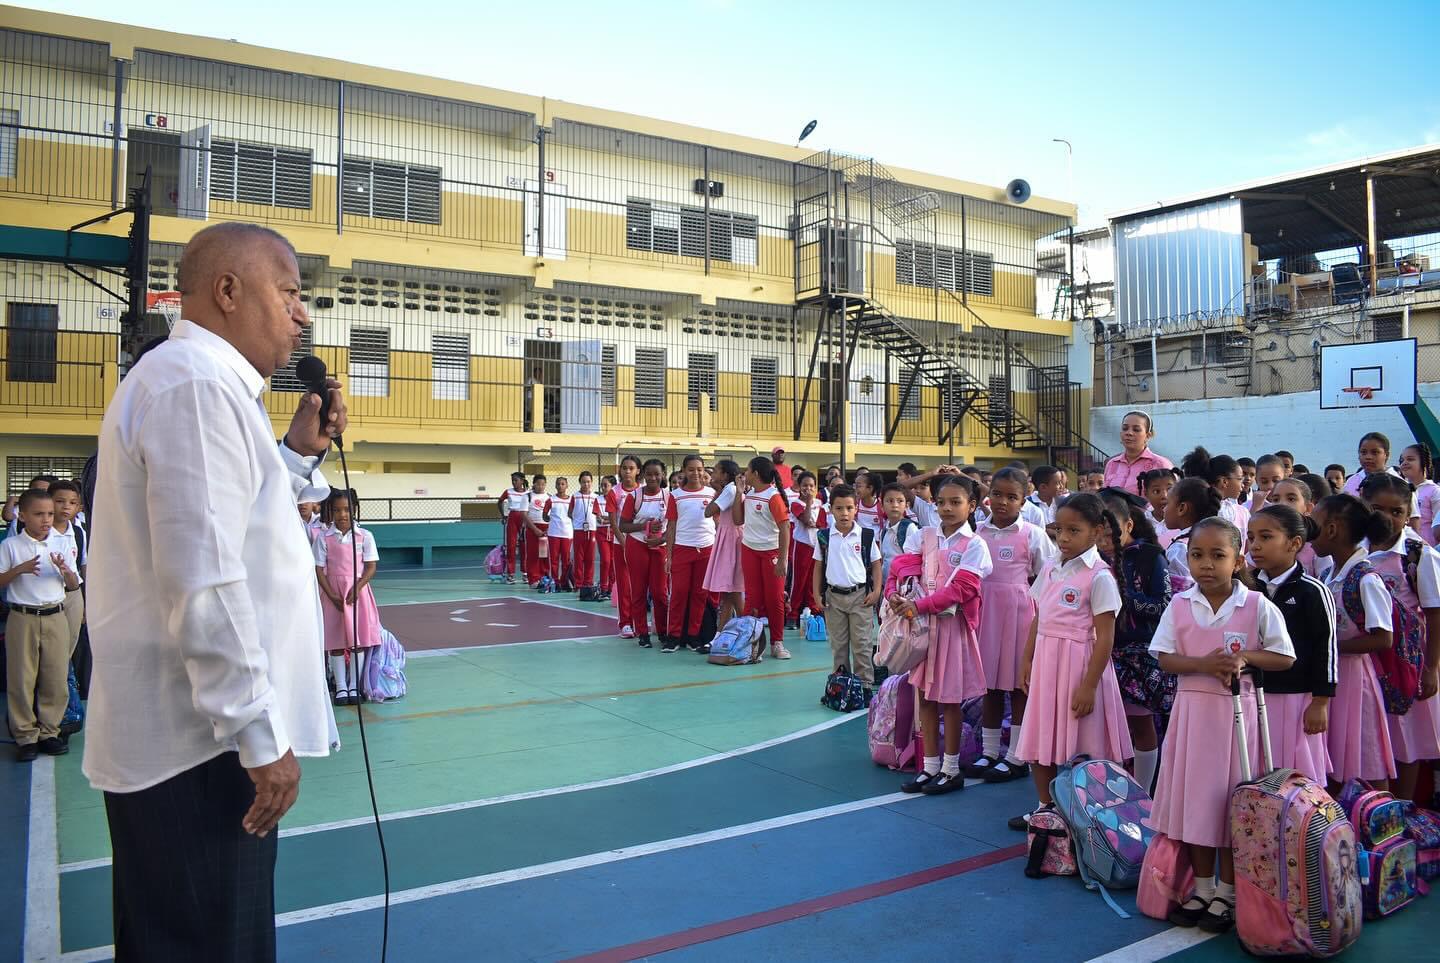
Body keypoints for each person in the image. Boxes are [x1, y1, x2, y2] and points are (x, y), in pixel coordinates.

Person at [84, 222, 342, 961]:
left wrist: (295, 455)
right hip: (202, 749)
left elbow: (241, 528)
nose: (302, 315)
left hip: (198, 740)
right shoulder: (195, 386)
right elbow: (205, 579)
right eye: (289, 292)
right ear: (228, 291)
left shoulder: (203, 385)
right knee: (211, 944)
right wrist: (258, 734)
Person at [1148, 517, 1295, 933]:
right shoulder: (1180, 604)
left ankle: (1228, 893)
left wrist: (1246, 657)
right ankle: (1204, 887)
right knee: (1195, 805)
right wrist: (1202, 665)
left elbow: (1284, 656)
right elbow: (1164, 657)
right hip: (1192, 715)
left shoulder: (1256, 605)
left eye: (1218, 555)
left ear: (1238, 561)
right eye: (1197, 555)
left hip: (1236, 720)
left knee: (1232, 804)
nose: (1206, 564)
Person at [1012, 493, 1132, 827]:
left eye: (1074, 530)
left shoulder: (1099, 576)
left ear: (1096, 531)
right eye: (1059, 530)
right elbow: (1039, 618)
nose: (1063, 538)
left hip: (1080, 667)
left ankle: (1091, 817)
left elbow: (1105, 637)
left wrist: (1089, 687)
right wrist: (1027, 659)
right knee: (1040, 739)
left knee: (1085, 744)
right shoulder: (1052, 566)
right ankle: (1046, 810)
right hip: (1047, 664)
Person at [890, 475, 991, 795]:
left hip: (951, 630)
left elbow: (962, 590)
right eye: (941, 502)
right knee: (925, 698)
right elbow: (901, 569)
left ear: (971, 506)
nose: (947, 508)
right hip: (923, 630)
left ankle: (951, 769)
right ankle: (929, 767)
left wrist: (917, 605)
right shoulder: (924, 536)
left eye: (955, 502)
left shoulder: (975, 545)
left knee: (950, 701)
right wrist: (893, 593)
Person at [966, 468, 1056, 782]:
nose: (1003, 502)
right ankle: (990, 752)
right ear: (988, 495)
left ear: (1023, 500)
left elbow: (1048, 575)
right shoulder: (977, 532)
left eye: (1011, 496)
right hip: (985, 614)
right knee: (989, 685)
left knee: (1019, 686)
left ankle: (1017, 756)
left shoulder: (1033, 534)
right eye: (997, 494)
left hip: (1020, 616)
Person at [1359, 474, 1440, 801]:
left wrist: (1431, 668)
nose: (1387, 518)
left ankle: (1404, 808)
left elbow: (1435, 613)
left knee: (1407, 738)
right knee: (1374, 735)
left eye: (1396, 512)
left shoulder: (1418, 555)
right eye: (1377, 509)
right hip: (1367, 659)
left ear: (1408, 515)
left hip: (1407, 662)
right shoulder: (1357, 548)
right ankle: (1372, 808)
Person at [1312, 493, 1398, 792]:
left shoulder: (1366, 579)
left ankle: (1379, 813)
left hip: (1356, 678)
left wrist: (1331, 647)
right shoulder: (1328, 574)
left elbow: (1383, 637)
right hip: (1334, 674)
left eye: (1314, 525)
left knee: (1365, 753)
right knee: (1337, 751)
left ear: (1332, 529)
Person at [1247, 504, 1336, 784]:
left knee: (1295, 777)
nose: (1255, 545)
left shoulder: (1313, 591)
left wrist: (1320, 701)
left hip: (1296, 697)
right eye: (1251, 537)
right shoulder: (1247, 587)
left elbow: (1326, 647)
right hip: (1252, 694)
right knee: (1255, 771)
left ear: (1294, 543)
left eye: (1266, 537)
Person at [1100, 492, 1173, 795]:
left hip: (1139, 654)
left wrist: (1125, 597)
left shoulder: (1150, 556)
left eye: (1111, 533)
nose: (1105, 541)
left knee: (1141, 723)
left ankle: (1142, 793)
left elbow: (1164, 604)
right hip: (1100, 652)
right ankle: (1103, 790)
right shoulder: (1092, 560)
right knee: (1104, 725)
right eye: (1098, 534)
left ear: (1128, 525)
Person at [1, 488, 81, 760]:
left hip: (55, 616)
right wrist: (19, 570)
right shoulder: (11, 546)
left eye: (49, 514)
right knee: (22, 677)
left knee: (56, 677)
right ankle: (25, 736)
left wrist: (66, 571)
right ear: (22, 516)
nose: (46, 519)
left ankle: (49, 732)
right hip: (22, 617)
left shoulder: (61, 543)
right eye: (38, 514)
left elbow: (73, 585)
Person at [813, 484, 881, 691]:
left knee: (862, 644)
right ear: (830, 509)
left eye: (849, 508)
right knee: (839, 645)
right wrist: (816, 594)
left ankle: (864, 686)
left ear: (856, 509)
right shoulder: (824, 536)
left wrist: (876, 591)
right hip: (833, 597)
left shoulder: (865, 535)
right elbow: (818, 567)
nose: (844, 513)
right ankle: (841, 685)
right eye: (839, 508)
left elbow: (876, 564)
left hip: (860, 596)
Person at [314, 489, 380, 705]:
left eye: (346, 509)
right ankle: (341, 686)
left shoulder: (365, 536)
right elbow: (318, 569)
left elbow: (370, 566)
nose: (342, 514)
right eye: (337, 510)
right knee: (335, 640)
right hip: (333, 593)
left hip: (357, 594)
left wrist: (358, 587)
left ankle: (354, 685)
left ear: (354, 509)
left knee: (356, 640)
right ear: (330, 512)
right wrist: (331, 595)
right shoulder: (324, 537)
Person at [736, 455, 791, 660]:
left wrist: (782, 559)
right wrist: (739, 493)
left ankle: (777, 643)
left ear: (756, 474)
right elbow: (737, 520)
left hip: (771, 552)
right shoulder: (749, 494)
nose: (745, 473)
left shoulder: (773, 497)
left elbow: (785, 528)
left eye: (748, 470)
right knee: (752, 598)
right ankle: (750, 644)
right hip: (749, 550)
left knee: (774, 599)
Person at [664, 455, 715, 653]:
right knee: (679, 593)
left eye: (699, 469)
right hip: (682, 549)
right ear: (684, 471)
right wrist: (668, 556)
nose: (696, 473)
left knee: (699, 594)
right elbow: (671, 526)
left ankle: (694, 636)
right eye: (691, 469)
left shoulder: (712, 493)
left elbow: (719, 521)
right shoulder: (676, 495)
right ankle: (674, 636)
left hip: (706, 550)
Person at [619, 459, 670, 649]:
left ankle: (663, 631)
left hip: (659, 546)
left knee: (660, 592)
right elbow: (623, 525)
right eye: (649, 474)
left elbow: (674, 525)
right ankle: (642, 632)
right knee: (639, 591)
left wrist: (662, 538)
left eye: (657, 474)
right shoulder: (634, 496)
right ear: (643, 475)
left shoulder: (668, 496)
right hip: (637, 545)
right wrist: (644, 526)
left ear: (663, 475)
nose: (653, 478)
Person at [702, 459, 745, 635]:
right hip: (730, 537)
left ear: (725, 475)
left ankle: (748, 628)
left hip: (731, 539)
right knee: (727, 592)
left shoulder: (729, 490)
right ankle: (719, 634)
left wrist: (717, 491)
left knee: (733, 590)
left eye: (716, 471)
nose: (712, 474)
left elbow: (708, 511)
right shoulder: (729, 489)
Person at [46, 480, 88, 659]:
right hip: (46, 595)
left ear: (79, 507)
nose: (66, 507)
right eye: (60, 501)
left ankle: (63, 675)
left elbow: (83, 565)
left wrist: (85, 600)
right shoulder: (39, 532)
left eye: (72, 503)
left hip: (73, 594)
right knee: (47, 645)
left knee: (69, 644)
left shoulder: (79, 532)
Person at [1163, 478, 1222, 595]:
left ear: (1182, 508)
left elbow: (1178, 593)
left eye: (1167, 503)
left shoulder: (1180, 549)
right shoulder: (1215, 538)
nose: (1164, 509)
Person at [608, 456, 642, 638]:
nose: (627, 471)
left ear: (638, 471)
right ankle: (626, 623)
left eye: (631, 468)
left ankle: (640, 622)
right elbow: (614, 523)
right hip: (621, 544)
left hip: (641, 544)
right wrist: (624, 543)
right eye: (624, 468)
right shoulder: (614, 492)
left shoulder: (643, 491)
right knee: (624, 585)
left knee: (640, 585)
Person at [786, 471, 826, 626]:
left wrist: (814, 523)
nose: (808, 489)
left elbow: (821, 524)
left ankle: (814, 610)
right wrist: (809, 503)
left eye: (811, 486)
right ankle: (792, 613)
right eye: (804, 486)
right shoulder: (795, 504)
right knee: (798, 581)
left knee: (813, 580)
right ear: (799, 486)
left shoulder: (820, 503)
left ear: (815, 487)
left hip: (816, 546)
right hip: (801, 545)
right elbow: (807, 521)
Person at [1104, 411, 1173, 492]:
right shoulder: (1112, 464)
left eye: (1136, 430)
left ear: (1148, 436)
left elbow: (1171, 496)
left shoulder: (1160, 464)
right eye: (1125, 428)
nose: (1129, 433)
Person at [877, 482, 917, 596]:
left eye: (900, 501)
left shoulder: (909, 528)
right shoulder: (884, 530)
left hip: (904, 589)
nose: (895, 505)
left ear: (907, 505)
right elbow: (883, 559)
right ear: (882, 506)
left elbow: (915, 561)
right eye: (890, 501)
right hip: (887, 587)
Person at [1400, 443, 1440, 547]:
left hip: (1428, 549)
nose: (1404, 463)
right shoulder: (1400, 491)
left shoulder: (1434, 491)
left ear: (1424, 462)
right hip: (1404, 548)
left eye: (1410, 459)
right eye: (1402, 460)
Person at [1342, 431, 1400, 496]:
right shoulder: (1352, 482)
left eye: (1375, 452)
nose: (1368, 457)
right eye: (1363, 452)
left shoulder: (1398, 483)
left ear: (1386, 455)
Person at [570, 472, 602, 591]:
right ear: (580, 482)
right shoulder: (575, 496)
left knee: (590, 558)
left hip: (592, 529)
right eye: (583, 482)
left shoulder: (595, 497)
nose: (586, 484)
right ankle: (578, 583)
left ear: (591, 482)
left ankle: (588, 582)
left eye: (588, 482)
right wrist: (577, 521)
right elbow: (570, 513)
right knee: (579, 558)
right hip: (579, 530)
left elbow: (598, 513)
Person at [499, 471, 531, 583]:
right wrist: (503, 515)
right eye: (512, 480)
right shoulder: (508, 491)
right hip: (512, 517)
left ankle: (525, 573)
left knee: (524, 546)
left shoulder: (529, 493)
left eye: (516, 480)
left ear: (522, 481)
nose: (513, 482)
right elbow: (500, 501)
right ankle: (510, 574)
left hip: (524, 518)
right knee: (511, 546)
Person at [546, 476, 575, 590]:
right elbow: (544, 514)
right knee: (554, 559)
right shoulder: (551, 500)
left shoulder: (571, 500)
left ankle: (564, 581)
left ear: (567, 486)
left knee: (566, 560)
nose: (560, 486)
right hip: (554, 533)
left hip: (567, 533)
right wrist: (550, 520)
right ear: (555, 486)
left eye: (563, 484)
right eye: (558, 484)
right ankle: (555, 581)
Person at [524, 474, 551, 586]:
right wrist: (535, 529)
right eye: (538, 484)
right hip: (533, 528)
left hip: (546, 528)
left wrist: (549, 528)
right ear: (534, 484)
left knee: (544, 554)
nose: (541, 486)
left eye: (543, 484)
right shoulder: (528, 496)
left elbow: (552, 514)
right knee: (533, 554)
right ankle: (534, 579)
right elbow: (524, 515)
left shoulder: (549, 497)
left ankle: (544, 577)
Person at [1140, 468, 1177, 547]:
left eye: (1170, 489)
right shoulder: (1142, 521)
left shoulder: (1184, 521)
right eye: (1156, 491)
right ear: (1146, 493)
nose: (1164, 496)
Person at [597, 475, 616, 596]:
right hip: (602, 533)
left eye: (606, 485)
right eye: (602, 485)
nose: (603, 488)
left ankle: (612, 588)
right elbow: (600, 519)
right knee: (606, 560)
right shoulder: (598, 500)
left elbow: (617, 518)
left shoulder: (617, 499)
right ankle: (603, 587)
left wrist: (609, 519)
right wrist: (611, 519)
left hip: (615, 532)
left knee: (613, 561)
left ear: (613, 487)